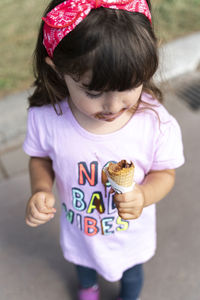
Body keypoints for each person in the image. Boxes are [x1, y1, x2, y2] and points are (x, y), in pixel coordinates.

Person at [23, 0, 185, 299]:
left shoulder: (155, 122)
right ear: (58, 70)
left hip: (129, 238)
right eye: (94, 92)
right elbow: (40, 158)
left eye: (130, 86)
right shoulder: (48, 118)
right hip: (80, 234)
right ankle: (89, 289)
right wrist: (41, 189)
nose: (113, 106)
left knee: (133, 278)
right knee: (84, 269)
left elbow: (165, 172)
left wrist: (144, 195)